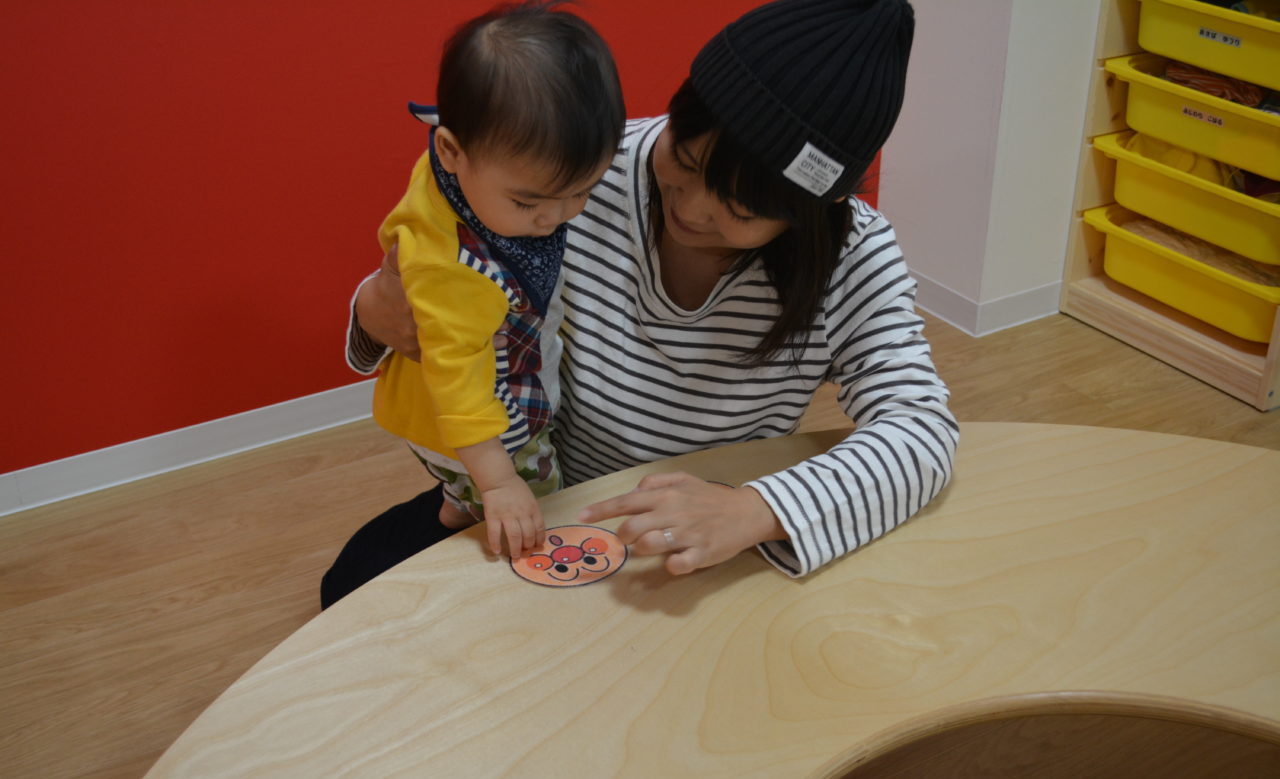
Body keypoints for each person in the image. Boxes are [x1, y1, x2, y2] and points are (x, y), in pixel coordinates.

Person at [325, 0, 958, 609]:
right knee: (353, 586)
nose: (691, 209)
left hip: (702, 531)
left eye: (740, 210)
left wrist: (754, 509)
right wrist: (373, 313)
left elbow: (922, 434)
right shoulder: (575, 172)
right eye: (684, 160)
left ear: (809, 211)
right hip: (549, 491)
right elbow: (439, 290)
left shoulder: (854, 256)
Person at [360, 1, 625, 560]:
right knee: (541, 511)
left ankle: (460, 506)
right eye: (528, 202)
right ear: (451, 150)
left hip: (450, 411)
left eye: (582, 191)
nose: (556, 217)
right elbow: (460, 389)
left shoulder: (469, 158)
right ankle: (491, 515)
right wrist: (501, 483)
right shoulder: (457, 270)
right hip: (478, 429)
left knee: (467, 488)